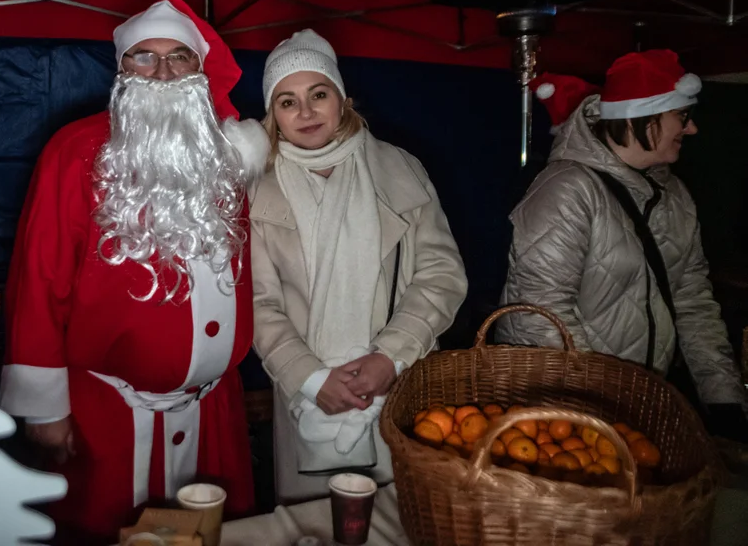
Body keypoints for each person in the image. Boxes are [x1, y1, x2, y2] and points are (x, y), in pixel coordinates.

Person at [0, 0, 269, 543]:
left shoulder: (231, 156)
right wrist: (42, 408)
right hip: (106, 414)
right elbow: (38, 280)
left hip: (213, 411)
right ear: (121, 72)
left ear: (200, 70)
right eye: (143, 58)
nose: (163, 72)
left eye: (179, 58)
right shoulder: (74, 151)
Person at [249, 30, 468, 503]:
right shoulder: (257, 189)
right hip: (304, 394)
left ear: (342, 99)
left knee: (395, 518)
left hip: (393, 386)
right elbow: (255, 301)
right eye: (288, 101)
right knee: (310, 524)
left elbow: (440, 274)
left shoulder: (399, 168)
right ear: (273, 116)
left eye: (318, 94)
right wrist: (309, 377)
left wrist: (390, 355)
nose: (305, 112)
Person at [498, 52, 748, 439]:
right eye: (682, 116)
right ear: (643, 117)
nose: (692, 128)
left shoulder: (674, 194)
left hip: (634, 408)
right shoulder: (568, 189)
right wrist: (604, 408)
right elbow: (541, 313)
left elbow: (692, 299)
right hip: (564, 414)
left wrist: (724, 399)